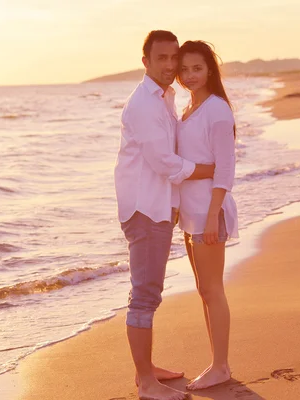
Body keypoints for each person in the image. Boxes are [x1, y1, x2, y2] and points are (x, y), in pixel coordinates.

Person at [114, 31, 216, 400]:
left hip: (158, 206)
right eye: (162, 58)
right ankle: (145, 383)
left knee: (150, 292)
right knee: (144, 295)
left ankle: (147, 367)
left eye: (174, 57)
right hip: (145, 208)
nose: (171, 65)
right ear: (146, 62)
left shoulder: (164, 97)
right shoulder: (143, 104)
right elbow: (163, 162)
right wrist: (209, 169)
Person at [175, 40, 238, 390]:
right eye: (184, 70)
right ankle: (217, 362)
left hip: (209, 214)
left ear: (210, 69)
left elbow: (225, 169)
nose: (189, 75)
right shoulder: (189, 107)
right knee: (204, 289)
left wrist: (213, 215)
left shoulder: (216, 110)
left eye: (197, 68)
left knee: (213, 290)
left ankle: (221, 366)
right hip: (192, 215)